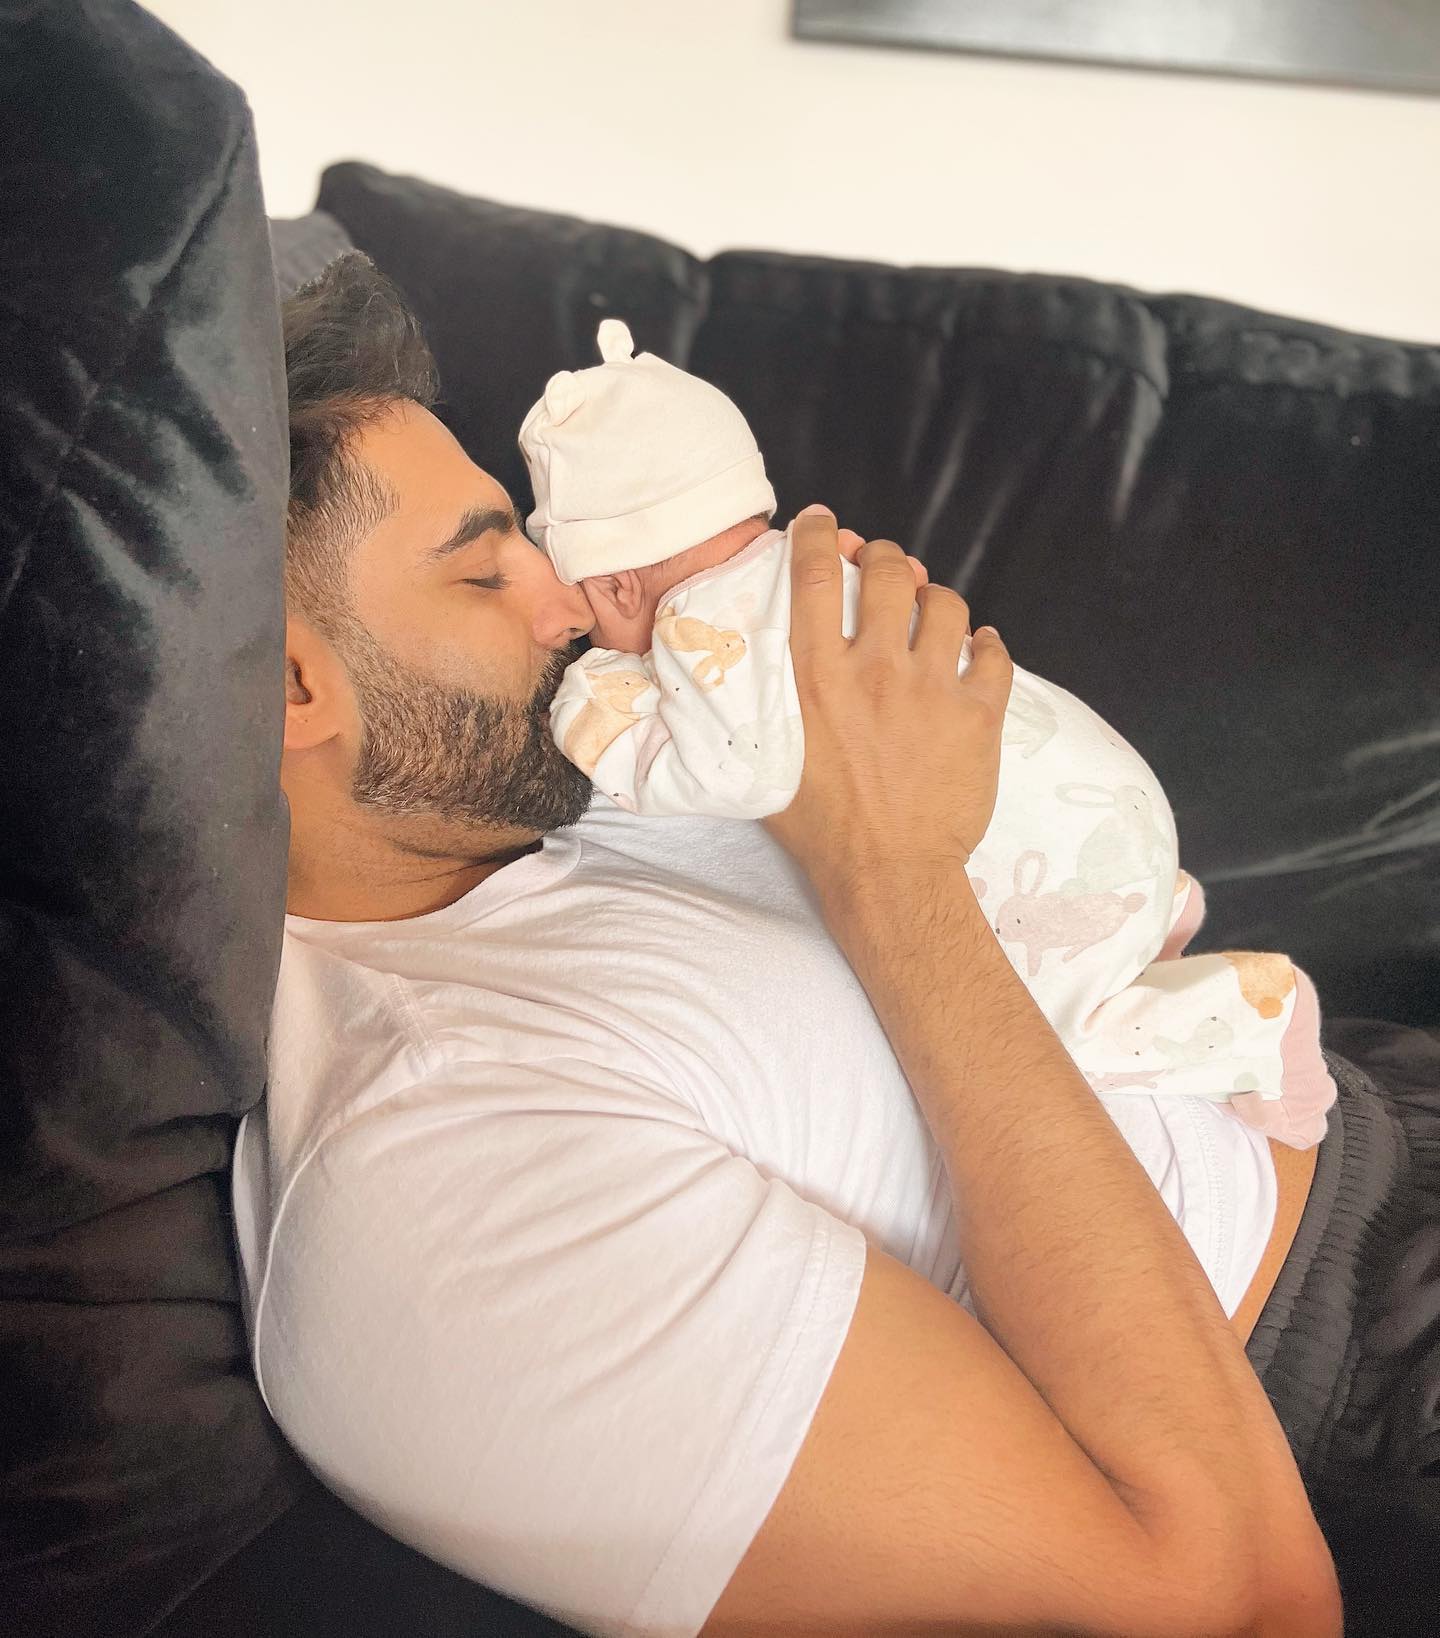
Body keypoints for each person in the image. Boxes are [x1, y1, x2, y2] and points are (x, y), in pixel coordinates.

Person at [233, 251, 1342, 1636]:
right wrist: (897, 871)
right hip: (1327, 1365)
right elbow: (1236, 1602)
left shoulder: (543, 794)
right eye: (482, 571)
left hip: (1340, 1094)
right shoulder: (434, 1174)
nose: (566, 601)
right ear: (291, 686)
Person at [519, 318, 1336, 1151]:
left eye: (588, 613)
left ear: (618, 586)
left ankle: (1254, 1018)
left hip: (1064, 851)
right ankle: (1153, 921)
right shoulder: (809, 570)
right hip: (1092, 794)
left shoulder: (699, 624)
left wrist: (591, 699)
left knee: (1042, 1040)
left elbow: (733, 771)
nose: (591, 639)